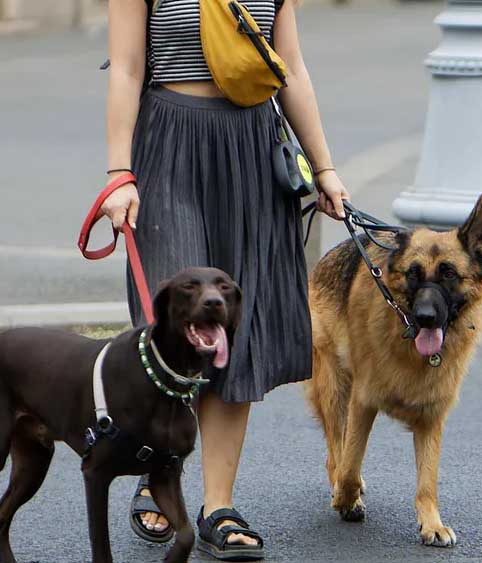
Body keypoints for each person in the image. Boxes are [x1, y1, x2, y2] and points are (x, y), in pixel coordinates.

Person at [101, 0, 349, 559]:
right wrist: (119, 174)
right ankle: (159, 471)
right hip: (169, 145)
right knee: (177, 323)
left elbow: (291, 67)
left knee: (236, 325)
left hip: (253, 150)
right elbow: (126, 68)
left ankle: (218, 506)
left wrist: (325, 167)